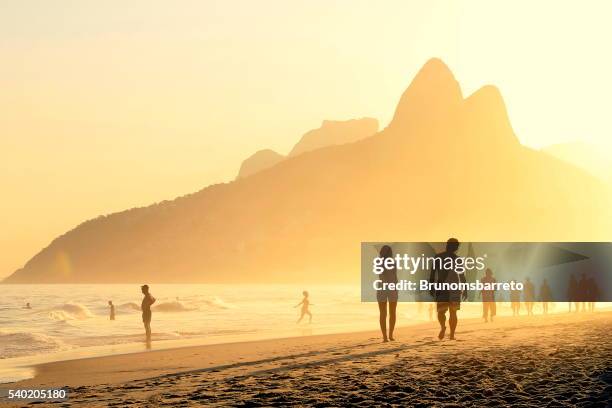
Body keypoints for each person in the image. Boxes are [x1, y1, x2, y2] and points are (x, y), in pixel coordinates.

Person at [429, 238, 467, 340]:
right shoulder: (445, 258)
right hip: (451, 288)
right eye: (456, 246)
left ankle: (448, 331)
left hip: (445, 288)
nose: (457, 248)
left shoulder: (439, 257)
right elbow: (462, 276)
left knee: (444, 312)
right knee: (449, 312)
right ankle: (448, 332)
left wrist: (431, 286)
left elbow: (432, 274)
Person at [376, 245, 398, 342]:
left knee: (388, 313)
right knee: (386, 313)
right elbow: (382, 275)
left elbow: (393, 276)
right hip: (387, 288)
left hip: (387, 288)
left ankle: (389, 335)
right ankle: (386, 336)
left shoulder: (391, 262)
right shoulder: (380, 262)